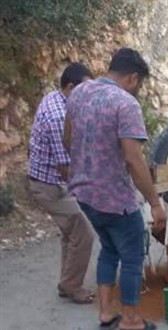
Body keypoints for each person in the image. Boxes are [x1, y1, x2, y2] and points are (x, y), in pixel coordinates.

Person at [64, 48, 166, 330]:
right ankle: (131, 320)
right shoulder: (125, 104)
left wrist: (89, 163)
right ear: (133, 78)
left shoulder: (80, 92)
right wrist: (155, 203)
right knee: (132, 255)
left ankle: (107, 313)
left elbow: (68, 139)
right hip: (114, 198)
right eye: (140, 85)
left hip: (84, 194)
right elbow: (134, 160)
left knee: (109, 248)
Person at [27, 62, 95, 305]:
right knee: (84, 233)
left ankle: (67, 283)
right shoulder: (59, 117)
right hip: (50, 186)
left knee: (72, 232)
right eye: (84, 89)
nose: (88, 95)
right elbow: (66, 168)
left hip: (48, 180)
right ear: (70, 87)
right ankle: (72, 286)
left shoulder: (56, 99)